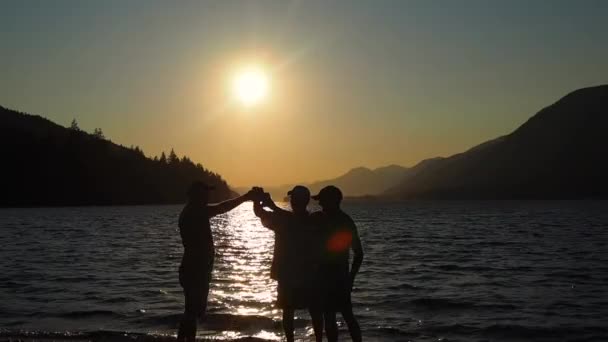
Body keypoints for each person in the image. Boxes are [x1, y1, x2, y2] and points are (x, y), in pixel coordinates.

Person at [177, 181, 262, 342]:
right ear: (196, 195)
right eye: (205, 193)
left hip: (196, 268)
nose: (208, 195)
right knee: (192, 311)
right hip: (195, 270)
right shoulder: (194, 212)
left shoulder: (193, 211)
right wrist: (245, 198)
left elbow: (220, 208)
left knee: (193, 311)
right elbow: (223, 208)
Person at [253, 186, 322, 342]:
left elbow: (259, 213)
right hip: (309, 274)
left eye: (292, 199)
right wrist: (269, 205)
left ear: (293, 201)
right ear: (306, 201)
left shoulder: (283, 220)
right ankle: (319, 340)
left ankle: (290, 340)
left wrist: (258, 201)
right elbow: (296, 220)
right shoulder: (315, 221)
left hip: (287, 274)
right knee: (315, 310)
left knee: (288, 310)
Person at [311, 185, 364, 342]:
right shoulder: (326, 219)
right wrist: (350, 278)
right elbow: (359, 253)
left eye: (322, 201)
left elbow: (359, 253)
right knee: (342, 316)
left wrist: (350, 279)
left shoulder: (341, 222)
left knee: (339, 316)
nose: (320, 204)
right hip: (334, 276)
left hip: (335, 277)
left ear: (333, 201)